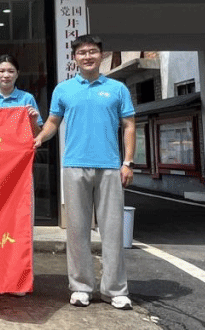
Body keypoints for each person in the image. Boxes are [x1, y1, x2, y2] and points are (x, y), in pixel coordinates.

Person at [33, 35, 136, 310]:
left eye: (92, 52)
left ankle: (115, 290)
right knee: (77, 230)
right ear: (74, 58)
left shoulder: (117, 89)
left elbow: (129, 125)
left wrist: (128, 162)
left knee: (112, 230)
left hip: (110, 166)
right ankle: (80, 287)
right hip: (74, 165)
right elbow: (53, 121)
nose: (87, 56)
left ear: (101, 55)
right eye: (82, 52)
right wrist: (40, 137)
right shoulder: (63, 89)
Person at [0, 54, 43, 134]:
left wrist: (33, 121)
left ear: (17, 74)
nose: (6, 75)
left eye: (11, 71)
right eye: (1, 71)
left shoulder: (27, 98)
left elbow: (38, 135)